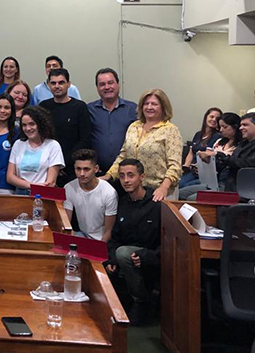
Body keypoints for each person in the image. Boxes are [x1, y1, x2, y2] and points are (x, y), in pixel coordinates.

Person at [105, 159, 161, 326]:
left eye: (131, 175)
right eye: (122, 176)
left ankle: (141, 301)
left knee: (122, 253)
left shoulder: (156, 203)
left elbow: (165, 242)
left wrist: (145, 256)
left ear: (141, 177)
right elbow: (115, 237)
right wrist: (111, 259)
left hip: (150, 256)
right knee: (115, 255)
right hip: (126, 255)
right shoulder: (123, 202)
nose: (126, 180)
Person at [103, 89, 182, 201]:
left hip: (159, 192)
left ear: (163, 107)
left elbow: (175, 166)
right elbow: (123, 155)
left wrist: (163, 188)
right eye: (146, 103)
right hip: (134, 191)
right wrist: (108, 176)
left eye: (154, 104)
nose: (149, 107)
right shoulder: (134, 127)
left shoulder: (170, 130)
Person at [39, 68, 92, 185]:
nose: (57, 86)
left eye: (61, 82)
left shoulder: (80, 107)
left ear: (69, 84)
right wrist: (54, 164)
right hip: (47, 168)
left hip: (72, 169)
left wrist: (63, 163)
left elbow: (85, 139)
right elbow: (40, 138)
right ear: (48, 85)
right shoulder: (43, 107)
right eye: (53, 83)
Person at [178, 112, 243, 200]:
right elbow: (208, 158)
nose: (221, 130)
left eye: (225, 127)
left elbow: (229, 162)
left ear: (235, 127)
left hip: (223, 182)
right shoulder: (219, 142)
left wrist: (215, 155)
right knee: (180, 192)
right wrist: (200, 165)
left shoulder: (240, 147)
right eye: (220, 127)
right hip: (209, 179)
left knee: (191, 198)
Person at [87, 68, 138, 174]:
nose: (107, 87)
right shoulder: (89, 110)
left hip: (127, 173)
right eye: (102, 84)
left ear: (118, 85)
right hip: (98, 172)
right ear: (97, 88)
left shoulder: (133, 109)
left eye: (110, 83)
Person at [7, 107, 64, 195]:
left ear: (40, 124)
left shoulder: (53, 145)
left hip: (42, 193)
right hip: (20, 193)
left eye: (32, 124)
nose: (28, 128)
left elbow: (51, 182)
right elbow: (10, 177)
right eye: (24, 125)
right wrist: (31, 185)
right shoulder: (18, 144)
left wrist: (36, 188)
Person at [63, 149, 117, 241]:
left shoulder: (109, 192)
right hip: (81, 235)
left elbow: (108, 232)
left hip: (101, 240)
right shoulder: (69, 188)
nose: (82, 174)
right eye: (78, 169)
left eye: (86, 169)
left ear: (96, 169)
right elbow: (66, 224)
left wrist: (98, 247)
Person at [179, 107, 222, 188]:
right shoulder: (198, 134)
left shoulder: (217, 136)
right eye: (211, 117)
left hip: (203, 172)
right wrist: (186, 166)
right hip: (191, 170)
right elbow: (191, 152)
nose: (214, 120)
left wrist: (199, 167)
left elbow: (208, 156)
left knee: (184, 186)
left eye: (217, 118)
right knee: (177, 184)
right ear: (206, 117)